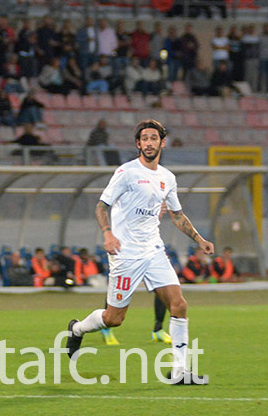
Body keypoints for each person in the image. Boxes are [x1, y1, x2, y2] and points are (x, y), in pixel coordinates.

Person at [66, 119, 214, 385]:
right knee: (114, 319)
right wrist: (108, 234)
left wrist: (199, 239)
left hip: (154, 250)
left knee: (179, 305)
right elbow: (102, 206)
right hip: (125, 254)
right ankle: (77, 328)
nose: (149, 143)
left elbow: (177, 216)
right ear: (138, 144)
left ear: (162, 142)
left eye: (153, 138)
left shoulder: (168, 178)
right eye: (144, 139)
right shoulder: (126, 172)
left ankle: (180, 371)